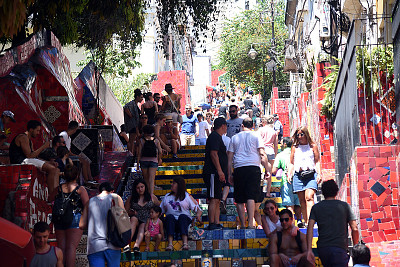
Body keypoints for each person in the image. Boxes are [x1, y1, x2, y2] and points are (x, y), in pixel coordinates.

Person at [227, 118, 270, 229]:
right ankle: (251, 223)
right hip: (253, 167)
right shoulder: (256, 136)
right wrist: (267, 169)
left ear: (242, 125)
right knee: (251, 196)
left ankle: (242, 224)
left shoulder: (234, 137)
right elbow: (262, 153)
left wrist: (229, 173)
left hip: (239, 168)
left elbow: (229, 157)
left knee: (240, 198)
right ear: (253, 125)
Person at [306, 179, 359, 267]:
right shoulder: (345, 206)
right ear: (336, 191)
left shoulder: (316, 207)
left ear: (323, 192)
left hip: (323, 249)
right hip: (340, 248)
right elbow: (354, 228)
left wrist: (309, 250)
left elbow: (310, 228)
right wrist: (355, 246)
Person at [9, 120, 60, 196]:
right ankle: (52, 196)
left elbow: (35, 157)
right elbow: (30, 155)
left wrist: (48, 162)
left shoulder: (29, 140)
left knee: (56, 170)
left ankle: (55, 195)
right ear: (31, 130)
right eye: (37, 130)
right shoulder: (23, 137)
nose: (38, 133)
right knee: (53, 170)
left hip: (27, 160)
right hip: (21, 161)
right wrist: (43, 147)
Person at [79, 182, 124, 267]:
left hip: (94, 246)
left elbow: (81, 225)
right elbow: (122, 219)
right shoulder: (116, 198)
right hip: (113, 244)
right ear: (112, 191)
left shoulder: (90, 202)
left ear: (99, 191)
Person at [51, 164, 88, 267]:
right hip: (75, 219)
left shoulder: (58, 188)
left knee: (61, 247)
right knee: (71, 247)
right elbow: (87, 205)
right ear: (77, 176)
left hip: (59, 218)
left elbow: (50, 198)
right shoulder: (80, 189)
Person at [288, 126, 321, 226]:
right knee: (302, 201)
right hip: (298, 175)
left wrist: (319, 173)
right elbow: (291, 162)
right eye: (298, 135)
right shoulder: (295, 148)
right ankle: (306, 222)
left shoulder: (312, 146)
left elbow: (317, 161)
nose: (300, 136)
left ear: (306, 134)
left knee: (309, 197)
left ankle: (312, 222)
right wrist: (289, 173)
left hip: (310, 174)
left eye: (302, 134)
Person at [160, 176, 202, 251]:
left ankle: (185, 243)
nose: (171, 185)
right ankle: (170, 244)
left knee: (182, 216)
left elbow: (199, 210)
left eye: (173, 183)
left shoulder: (187, 196)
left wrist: (198, 216)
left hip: (184, 222)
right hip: (171, 222)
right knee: (169, 217)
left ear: (179, 185)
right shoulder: (167, 196)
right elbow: (160, 211)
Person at [203, 117, 228, 230]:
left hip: (217, 173)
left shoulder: (218, 137)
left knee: (217, 198)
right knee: (213, 198)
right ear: (223, 126)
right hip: (213, 172)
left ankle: (217, 222)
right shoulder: (214, 137)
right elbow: (214, 154)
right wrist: (219, 170)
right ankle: (212, 222)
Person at [272, 137, 302, 226]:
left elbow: (274, 170)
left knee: (289, 204)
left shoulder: (280, 155)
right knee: (298, 203)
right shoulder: (297, 153)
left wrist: (279, 170)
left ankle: (291, 224)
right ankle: (299, 220)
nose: (280, 145)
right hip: (298, 181)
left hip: (286, 182)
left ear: (285, 144)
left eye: (281, 143)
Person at [124, 179, 160, 252]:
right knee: (133, 219)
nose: (140, 189)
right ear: (135, 189)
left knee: (143, 224)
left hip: (147, 220)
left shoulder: (151, 197)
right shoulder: (131, 198)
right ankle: (126, 244)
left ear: (145, 187)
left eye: (142, 187)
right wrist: (132, 213)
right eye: (138, 188)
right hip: (135, 218)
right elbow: (125, 212)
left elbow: (159, 209)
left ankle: (136, 246)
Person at [137, 125, 163, 195]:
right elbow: (160, 151)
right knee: (151, 180)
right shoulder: (156, 140)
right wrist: (158, 159)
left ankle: (147, 194)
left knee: (146, 179)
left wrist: (137, 165)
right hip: (153, 161)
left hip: (143, 161)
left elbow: (139, 153)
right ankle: (151, 195)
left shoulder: (142, 140)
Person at [258, 115, 278, 197]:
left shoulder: (260, 130)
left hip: (262, 151)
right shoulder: (274, 132)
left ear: (264, 122)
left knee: (259, 172)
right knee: (269, 173)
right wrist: (275, 155)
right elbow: (276, 145)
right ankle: (268, 192)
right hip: (270, 151)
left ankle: (259, 190)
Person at [124, 89, 143, 154]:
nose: (141, 99)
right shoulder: (132, 104)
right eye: (141, 97)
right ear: (137, 97)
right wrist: (130, 115)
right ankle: (130, 153)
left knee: (133, 139)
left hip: (134, 124)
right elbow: (125, 107)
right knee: (131, 140)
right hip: (132, 124)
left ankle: (131, 152)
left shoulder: (135, 104)